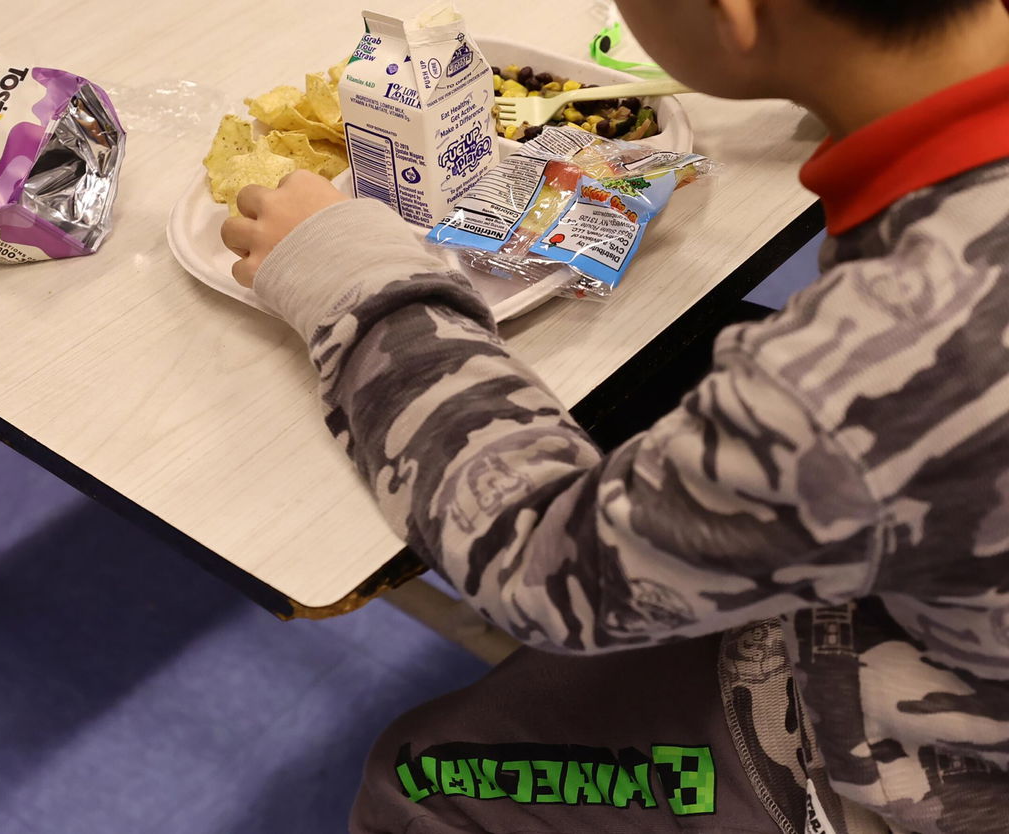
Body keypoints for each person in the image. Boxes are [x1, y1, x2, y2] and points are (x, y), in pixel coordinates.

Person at [220, 0, 1009, 831]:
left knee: (425, 781)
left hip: (938, 774)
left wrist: (356, 282)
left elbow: (544, 564)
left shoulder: (871, 366)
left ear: (734, 16)